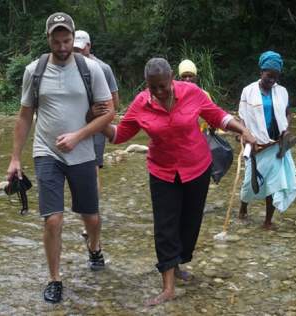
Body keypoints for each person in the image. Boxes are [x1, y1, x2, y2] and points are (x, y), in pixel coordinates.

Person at [96, 57, 256, 306]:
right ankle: (168, 285)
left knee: (190, 223)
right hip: (163, 172)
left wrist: (243, 130)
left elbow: (218, 117)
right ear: (147, 84)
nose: (159, 92)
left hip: (197, 168)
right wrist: (99, 122)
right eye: (153, 87)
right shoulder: (141, 103)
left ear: (172, 78)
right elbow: (119, 135)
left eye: (163, 86)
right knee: (165, 226)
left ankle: (178, 264)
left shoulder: (192, 92)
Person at [6, 12, 114, 304]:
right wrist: (15, 158)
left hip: (82, 153)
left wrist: (79, 136)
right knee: (52, 220)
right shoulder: (35, 70)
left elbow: (109, 113)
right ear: (49, 40)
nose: (63, 46)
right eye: (57, 41)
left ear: (73, 38)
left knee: (90, 216)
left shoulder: (91, 69)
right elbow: (25, 115)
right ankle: (55, 279)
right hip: (46, 152)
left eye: (67, 40)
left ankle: (94, 247)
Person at [238, 50, 296, 229]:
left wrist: (285, 129)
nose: (272, 79)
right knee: (250, 182)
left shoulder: (282, 92)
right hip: (255, 144)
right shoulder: (248, 91)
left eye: (276, 76)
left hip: (276, 144)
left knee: (274, 183)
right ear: (261, 72)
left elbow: (288, 114)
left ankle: (267, 221)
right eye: (269, 75)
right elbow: (242, 117)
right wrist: (243, 135)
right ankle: (243, 209)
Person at [73, 30, 119, 259]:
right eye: (75, 49)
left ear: (89, 46)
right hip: (74, 127)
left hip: (98, 126)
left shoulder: (102, 69)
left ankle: (90, 218)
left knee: (93, 169)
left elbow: (114, 102)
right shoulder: (65, 67)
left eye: (82, 49)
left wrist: (98, 118)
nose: (78, 52)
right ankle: (89, 218)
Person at [178, 59, 211, 131]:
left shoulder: (204, 95)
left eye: (190, 76)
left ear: (196, 78)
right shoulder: (174, 96)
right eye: (184, 76)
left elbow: (212, 116)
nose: (187, 79)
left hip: (201, 136)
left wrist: (212, 126)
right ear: (180, 79)